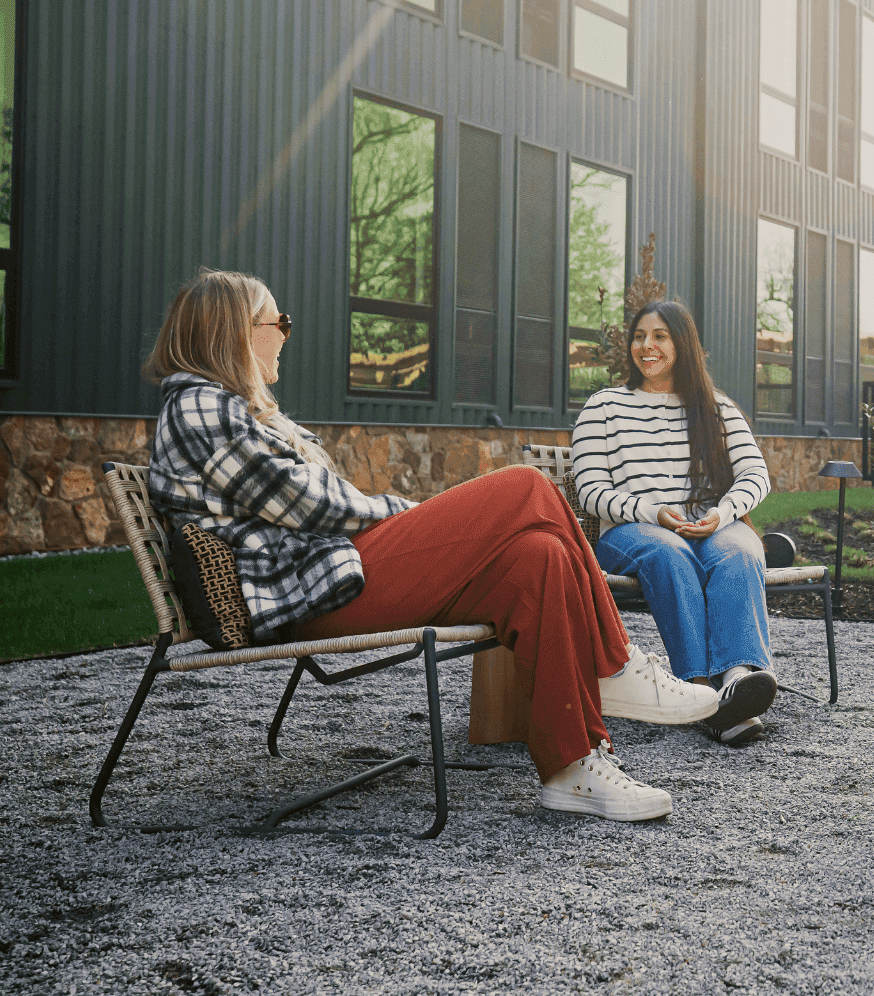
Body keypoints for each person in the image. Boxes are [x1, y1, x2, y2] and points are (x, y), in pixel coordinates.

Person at [143, 268, 718, 823]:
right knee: (527, 487)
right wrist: (414, 514)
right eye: (278, 321)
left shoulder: (226, 408)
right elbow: (311, 505)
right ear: (238, 334)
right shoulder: (199, 406)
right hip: (309, 596)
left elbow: (311, 504)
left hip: (329, 574)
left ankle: (573, 769)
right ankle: (614, 666)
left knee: (536, 557)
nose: (285, 333)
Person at [571, 300, 777, 747]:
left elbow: (756, 475)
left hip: (710, 522)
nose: (647, 346)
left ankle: (739, 680)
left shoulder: (715, 407)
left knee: (740, 552)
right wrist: (653, 513)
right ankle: (699, 690)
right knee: (671, 552)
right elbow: (589, 491)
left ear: (682, 344)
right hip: (632, 532)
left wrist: (722, 514)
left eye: (660, 336)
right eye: (640, 336)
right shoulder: (604, 407)